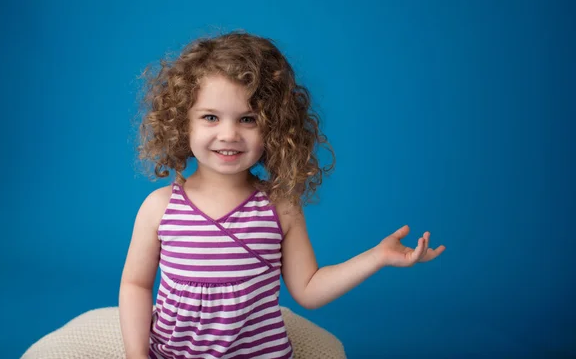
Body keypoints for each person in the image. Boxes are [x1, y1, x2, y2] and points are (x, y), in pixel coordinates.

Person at [118, 31, 445, 359]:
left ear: (273, 127)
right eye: (210, 117)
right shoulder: (160, 208)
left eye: (248, 119)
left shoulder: (279, 207)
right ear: (182, 123)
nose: (229, 134)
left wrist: (377, 257)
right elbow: (136, 284)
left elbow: (309, 289)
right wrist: (136, 354)